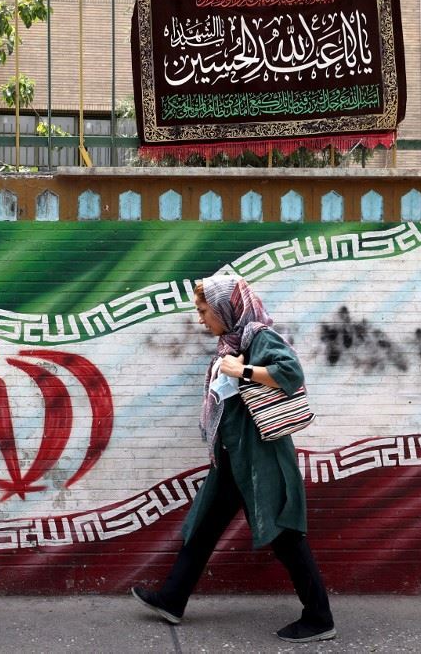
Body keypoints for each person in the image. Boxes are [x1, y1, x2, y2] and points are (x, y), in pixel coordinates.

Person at [131, 275, 336, 643]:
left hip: (261, 458)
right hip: (232, 457)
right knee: (205, 525)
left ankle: (319, 618)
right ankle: (173, 599)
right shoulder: (232, 341)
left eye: (204, 310)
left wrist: (240, 370)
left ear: (225, 309)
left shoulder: (258, 336)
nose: (200, 319)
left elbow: (291, 372)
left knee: (285, 536)